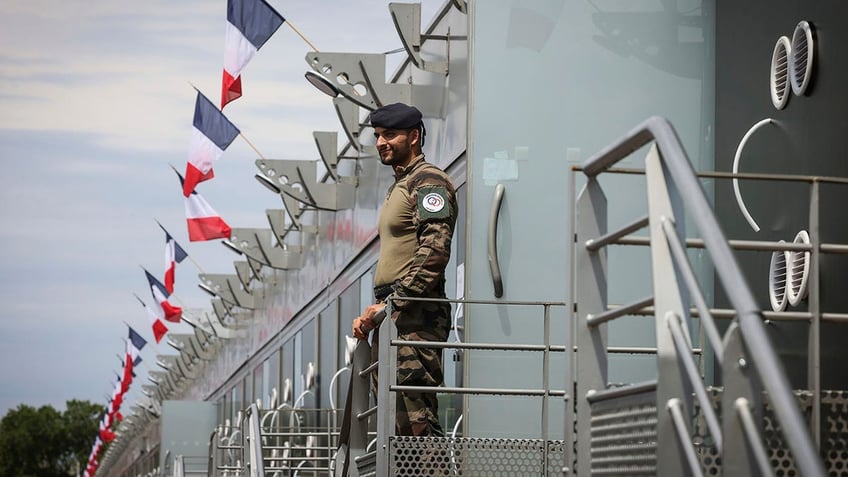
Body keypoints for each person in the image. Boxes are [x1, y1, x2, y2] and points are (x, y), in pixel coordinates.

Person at [352, 102, 458, 438]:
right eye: (378, 135)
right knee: (396, 428)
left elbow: (434, 251)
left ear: (414, 137)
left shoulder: (428, 182)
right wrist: (380, 312)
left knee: (417, 423)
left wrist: (391, 304)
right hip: (394, 315)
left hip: (415, 317)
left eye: (390, 134)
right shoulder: (400, 185)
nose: (382, 142)